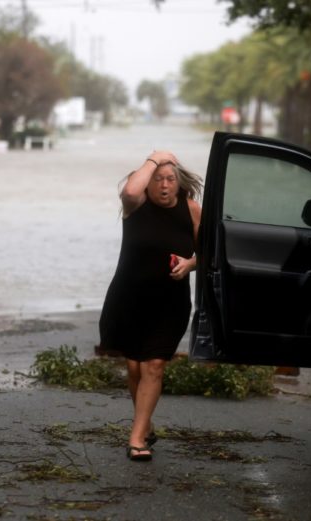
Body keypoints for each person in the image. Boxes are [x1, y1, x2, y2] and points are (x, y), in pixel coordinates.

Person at [99, 150, 202, 462]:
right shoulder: (136, 205)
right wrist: (154, 158)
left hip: (169, 303)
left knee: (153, 365)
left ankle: (136, 437)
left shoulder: (192, 210)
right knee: (134, 367)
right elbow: (130, 189)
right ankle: (146, 424)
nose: (164, 185)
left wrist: (190, 264)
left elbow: (211, 251)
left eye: (170, 179)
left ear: (179, 182)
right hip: (128, 298)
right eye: (158, 180)